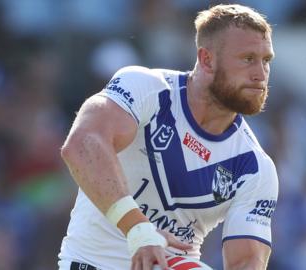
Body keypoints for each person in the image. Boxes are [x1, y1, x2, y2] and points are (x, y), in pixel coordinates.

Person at [58, 4, 278, 270]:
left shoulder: (255, 168)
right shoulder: (146, 89)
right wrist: (138, 229)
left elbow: (246, 263)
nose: (260, 74)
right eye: (247, 59)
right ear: (207, 59)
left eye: (266, 60)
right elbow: (81, 145)